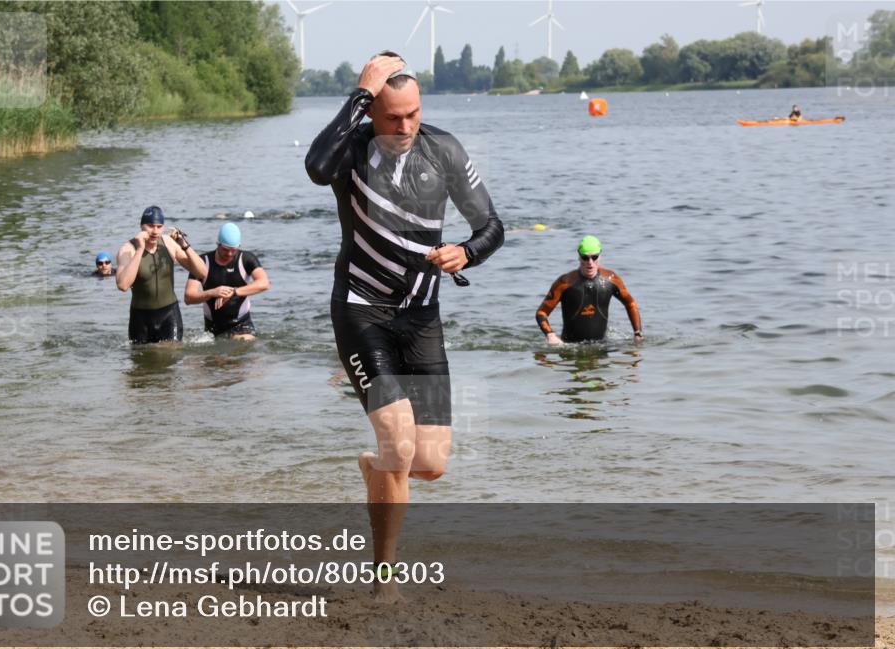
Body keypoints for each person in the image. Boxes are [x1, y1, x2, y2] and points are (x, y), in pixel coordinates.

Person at [305, 51, 504, 601]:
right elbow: (316, 168)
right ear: (373, 112)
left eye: (412, 113)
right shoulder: (351, 149)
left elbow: (491, 225)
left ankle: (376, 470)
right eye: (393, 116)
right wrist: (358, 97)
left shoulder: (444, 150)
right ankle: (384, 578)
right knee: (397, 443)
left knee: (430, 464)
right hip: (360, 309)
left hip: (421, 318)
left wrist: (467, 252)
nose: (405, 126)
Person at [115, 206, 206, 344]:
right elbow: (122, 285)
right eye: (150, 226)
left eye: (159, 226)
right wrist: (140, 249)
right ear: (141, 226)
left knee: (169, 357)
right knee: (142, 363)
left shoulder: (168, 244)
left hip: (169, 315)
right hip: (140, 319)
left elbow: (202, 272)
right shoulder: (128, 250)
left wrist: (184, 245)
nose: (155, 231)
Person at [536, 235, 643, 344]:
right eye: (585, 258)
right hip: (571, 349)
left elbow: (631, 304)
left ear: (600, 256)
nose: (590, 262)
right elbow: (541, 312)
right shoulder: (564, 282)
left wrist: (638, 333)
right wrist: (550, 334)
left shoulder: (611, 279)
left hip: (602, 348)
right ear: (579, 256)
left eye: (594, 257)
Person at [184, 222, 270, 341]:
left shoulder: (246, 259)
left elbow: (264, 283)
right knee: (214, 359)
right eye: (225, 249)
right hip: (212, 327)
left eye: (233, 250)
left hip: (242, 324)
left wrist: (234, 292)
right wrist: (213, 292)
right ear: (218, 244)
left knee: (242, 344)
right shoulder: (202, 262)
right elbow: (188, 297)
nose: (229, 254)